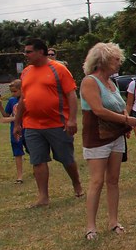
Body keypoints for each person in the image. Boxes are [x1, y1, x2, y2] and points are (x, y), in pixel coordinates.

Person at [14, 38, 84, 205]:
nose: (26, 55)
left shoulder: (58, 69)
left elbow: (71, 95)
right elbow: (23, 98)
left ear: (41, 52)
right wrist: (18, 123)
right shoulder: (26, 72)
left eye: (29, 51)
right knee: (38, 160)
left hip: (57, 123)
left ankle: (77, 184)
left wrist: (72, 120)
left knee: (66, 158)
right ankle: (43, 197)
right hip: (32, 125)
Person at [79, 43, 136, 240]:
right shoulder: (89, 82)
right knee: (97, 181)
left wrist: (124, 125)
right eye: (115, 59)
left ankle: (114, 221)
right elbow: (98, 110)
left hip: (115, 137)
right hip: (97, 137)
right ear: (102, 61)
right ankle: (90, 227)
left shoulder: (112, 84)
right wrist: (126, 120)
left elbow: (120, 107)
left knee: (113, 180)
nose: (119, 63)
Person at [0, 79, 25, 183]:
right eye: (11, 91)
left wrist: (12, 119)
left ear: (22, 89)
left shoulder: (26, 99)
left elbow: (24, 116)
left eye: (15, 91)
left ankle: (37, 167)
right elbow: (6, 114)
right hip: (15, 130)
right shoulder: (12, 101)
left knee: (31, 149)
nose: (13, 94)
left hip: (26, 129)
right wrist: (0, 106)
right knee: (17, 152)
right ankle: (19, 176)